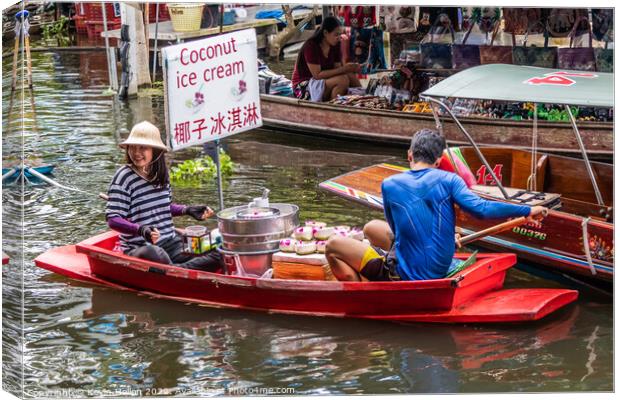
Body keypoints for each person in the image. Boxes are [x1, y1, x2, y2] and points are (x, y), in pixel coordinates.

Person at [326, 129, 548, 282]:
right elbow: (482, 209)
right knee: (371, 227)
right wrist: (527, 210)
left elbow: (398, 229)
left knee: (333, 246)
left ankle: (363, 289)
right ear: (439, 160)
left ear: (409, 155)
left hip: (406, 273)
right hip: (439, 267)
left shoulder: (390, 184)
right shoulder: (450, 180)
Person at [105, 121, 222, 272]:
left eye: (143, 148)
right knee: (155, 253)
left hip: (170, 242)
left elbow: (163, 207)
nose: (136, 153)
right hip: (141, 248)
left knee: (218, 248)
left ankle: (174, 270)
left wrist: (187, 210)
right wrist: (141, 230)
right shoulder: (123, 177)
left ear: (155, 151)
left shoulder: (161, 174)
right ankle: (178, 271)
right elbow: (113, 219)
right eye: (133, 147)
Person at [291, 16, 362, 102]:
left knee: (350, 76)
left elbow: (337, 68)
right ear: (325, 33)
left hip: (323, 80)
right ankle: (334, 108)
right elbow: (317, 75)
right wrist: (344, 69)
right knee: (342, 80)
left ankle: (363, 101)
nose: (339, 37)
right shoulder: (311, 46)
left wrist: (349, 68)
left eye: (340, 34)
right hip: (304, 85)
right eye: (336, 34)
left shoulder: (335, 44)